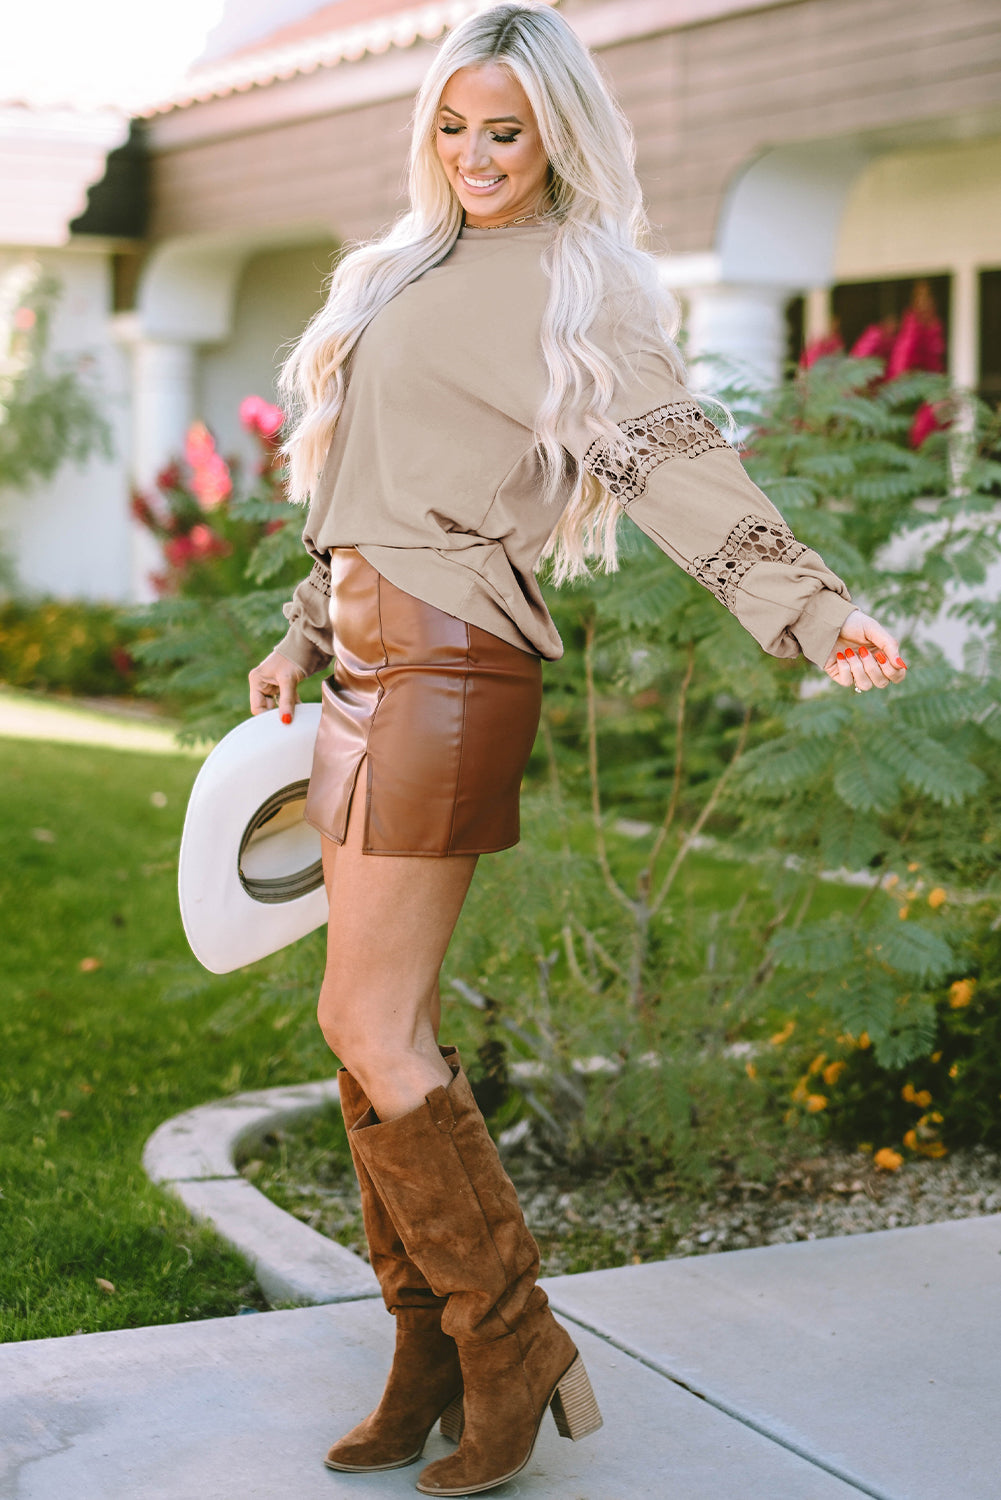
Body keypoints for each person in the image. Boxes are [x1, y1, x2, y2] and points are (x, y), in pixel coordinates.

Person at [247, 5, 908, 1493]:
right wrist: (301, 626)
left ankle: (510, 1341)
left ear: (558, 136)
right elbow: (380, 475)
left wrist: (807, 610)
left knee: (374, 1026)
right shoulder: (401, 265)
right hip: (362, 654)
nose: (476, 157)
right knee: (358, 1028)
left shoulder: (575, 284)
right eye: (454, 127)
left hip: (451, 666)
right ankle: (427, 1349)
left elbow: (672, 456)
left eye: (508, 132)